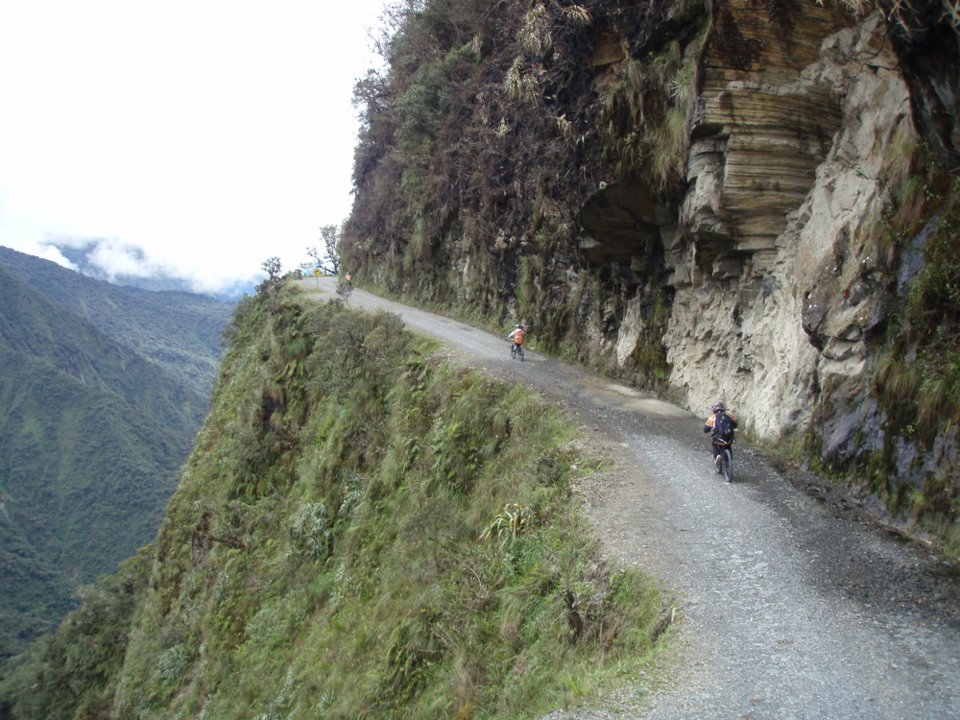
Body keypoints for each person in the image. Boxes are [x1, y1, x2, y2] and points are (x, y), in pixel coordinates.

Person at [704, 401, 737, 472]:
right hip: (729, 438)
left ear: (714, 410)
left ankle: (717, 456)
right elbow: (735, 425)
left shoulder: (713, 417)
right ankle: (729, 462)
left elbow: (705, 429)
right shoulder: (729, 415)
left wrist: (711, 429)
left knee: (714, 444)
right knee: (728, 446)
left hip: (718, 438)